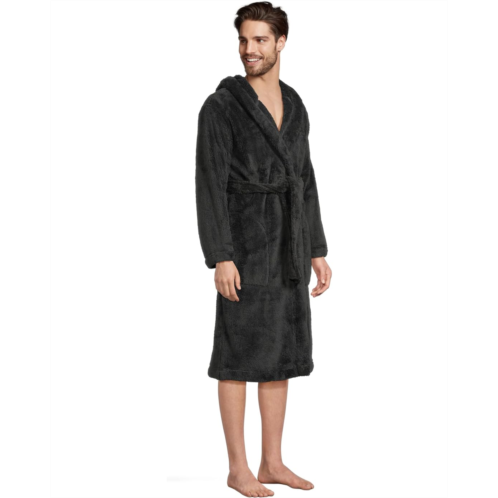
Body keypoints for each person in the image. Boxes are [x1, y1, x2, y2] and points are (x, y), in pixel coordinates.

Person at [195, 2, 332, 496]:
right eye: (243, 40)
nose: (249, 49)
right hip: (246, 244)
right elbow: (208, 183)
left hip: (289, 246)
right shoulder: (221, 106)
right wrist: (221, 255)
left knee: (281, 352)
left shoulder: (294, 104)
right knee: (237, 352)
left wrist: (315, 248)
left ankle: (271, 461)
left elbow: (305, 179)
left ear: (281, 43)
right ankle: (238, 469)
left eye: (259, 40)